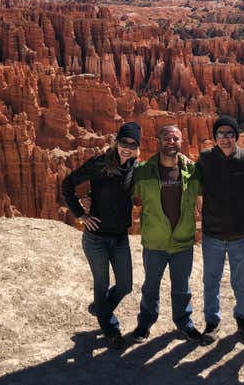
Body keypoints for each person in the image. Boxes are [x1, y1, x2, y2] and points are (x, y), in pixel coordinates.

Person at [61, 122, 141, 350]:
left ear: (137, 147)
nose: (127, 148)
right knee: (102, 283)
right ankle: (110, 328)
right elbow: (68, 184)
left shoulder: (134, 167)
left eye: (132, 144)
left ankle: (100, 307)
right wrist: (80, 214)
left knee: (125, 285)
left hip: (119, 238)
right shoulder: (99, 164)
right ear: (117, 142)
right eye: (124, 143)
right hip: (96, 238)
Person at [131, 124, 203, 343]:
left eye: (176, 139)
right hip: (155, 242)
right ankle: (145, 323)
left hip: (182, 241)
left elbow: (205, 201)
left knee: (182, 286)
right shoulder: (143, 171)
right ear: (158, 142)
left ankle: (184, 322)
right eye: (167, 138)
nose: (172, 142)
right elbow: (128, 198)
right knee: (151, 285)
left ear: (182, 142)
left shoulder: (192, 171)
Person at [196, 115, 244, 344]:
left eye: (229, 134)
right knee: (211, 281)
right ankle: (211, 323)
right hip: (212, 233)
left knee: (241, 282)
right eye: (220, 134)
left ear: (236, 137)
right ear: (215, 137)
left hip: (240, 234)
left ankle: (243, 321)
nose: (225, 139)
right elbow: (192, 185)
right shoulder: (205, 158)